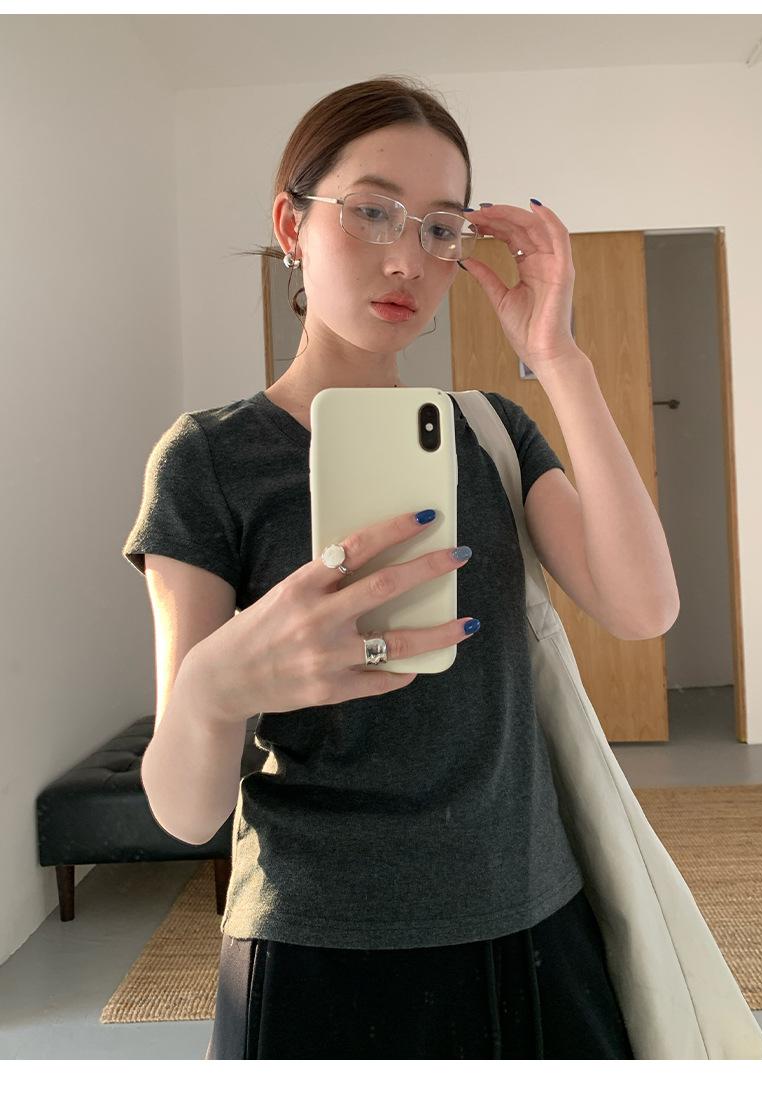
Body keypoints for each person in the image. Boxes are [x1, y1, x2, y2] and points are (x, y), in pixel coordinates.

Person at [123, 74, 633, 1061]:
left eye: (441, 228)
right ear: (291, 224)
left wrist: (559, 357)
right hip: (314, 945)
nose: (407, 257)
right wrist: (215, 689)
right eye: (371, 211)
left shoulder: (490, 433)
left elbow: (641, 604)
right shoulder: (207, 459)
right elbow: (186, 813)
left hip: (530, 920)